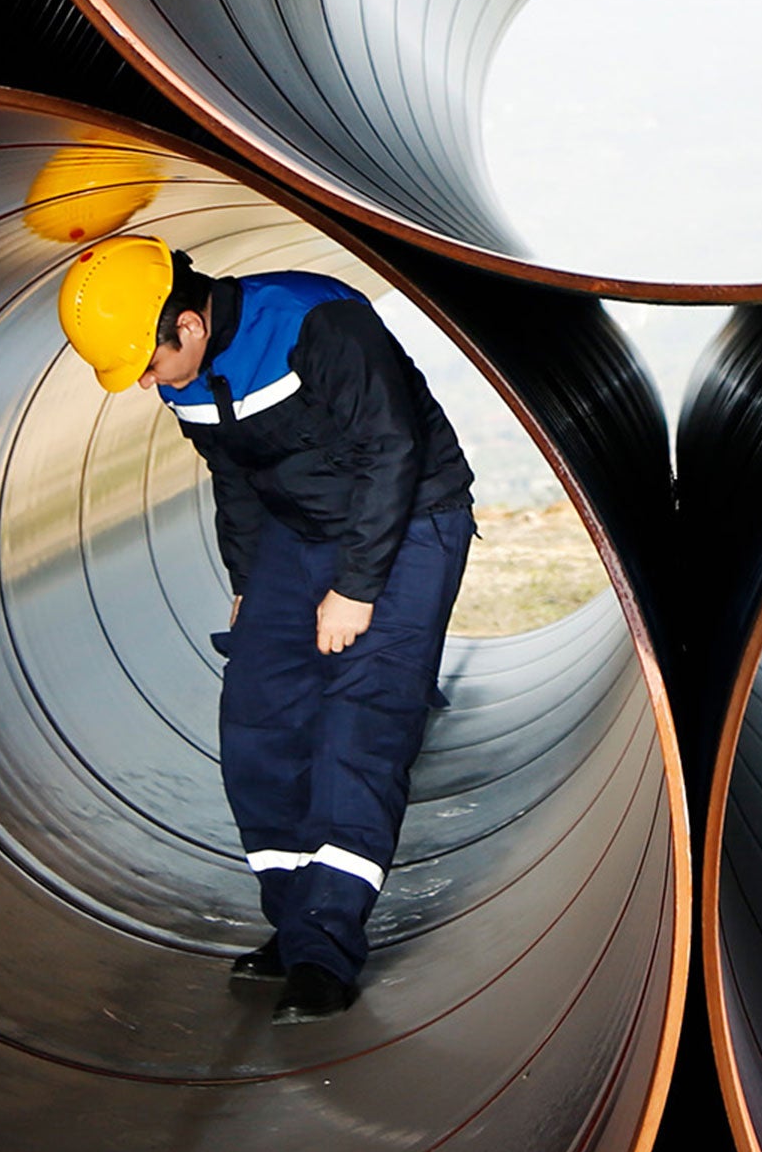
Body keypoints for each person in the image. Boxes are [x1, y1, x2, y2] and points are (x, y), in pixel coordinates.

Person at [57, 235, 475, 1024]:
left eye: (146, 364)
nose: (145, 383)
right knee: (258, 713)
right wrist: (250, 584)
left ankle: (325, 948)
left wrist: (355, 591)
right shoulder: (184, 379)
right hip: (297, 531)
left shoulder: (316, 324)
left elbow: (394, 451)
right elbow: (238, 479)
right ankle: (292, 919)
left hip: (411, 516)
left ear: (186, 325)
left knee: (360, 722)